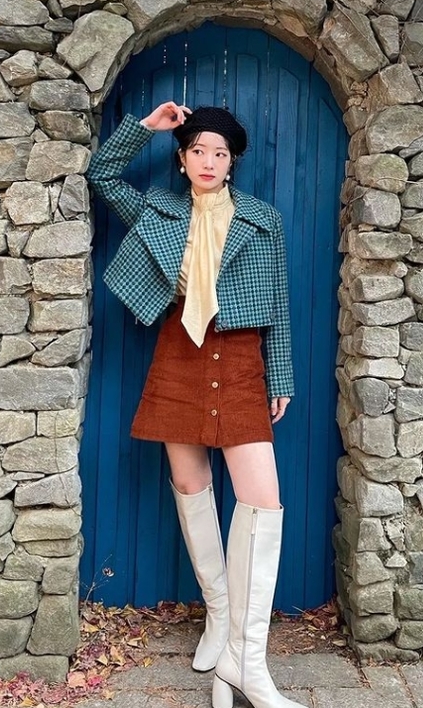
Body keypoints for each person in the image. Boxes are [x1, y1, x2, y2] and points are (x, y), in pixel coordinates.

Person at [86, 100, 300, 708]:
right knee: (189, 484)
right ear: (182, 160)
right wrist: (147, 128)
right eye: (198, 151)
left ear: (232, 163)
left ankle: (245, 661)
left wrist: (281, 373)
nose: (209, 161)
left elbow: (279, 301)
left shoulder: (263, 219)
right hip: (179, 347)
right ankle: (219, 615)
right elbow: (103, 175)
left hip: (241, 356)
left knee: (263, 502)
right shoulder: (158, 210)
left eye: (220, 153)